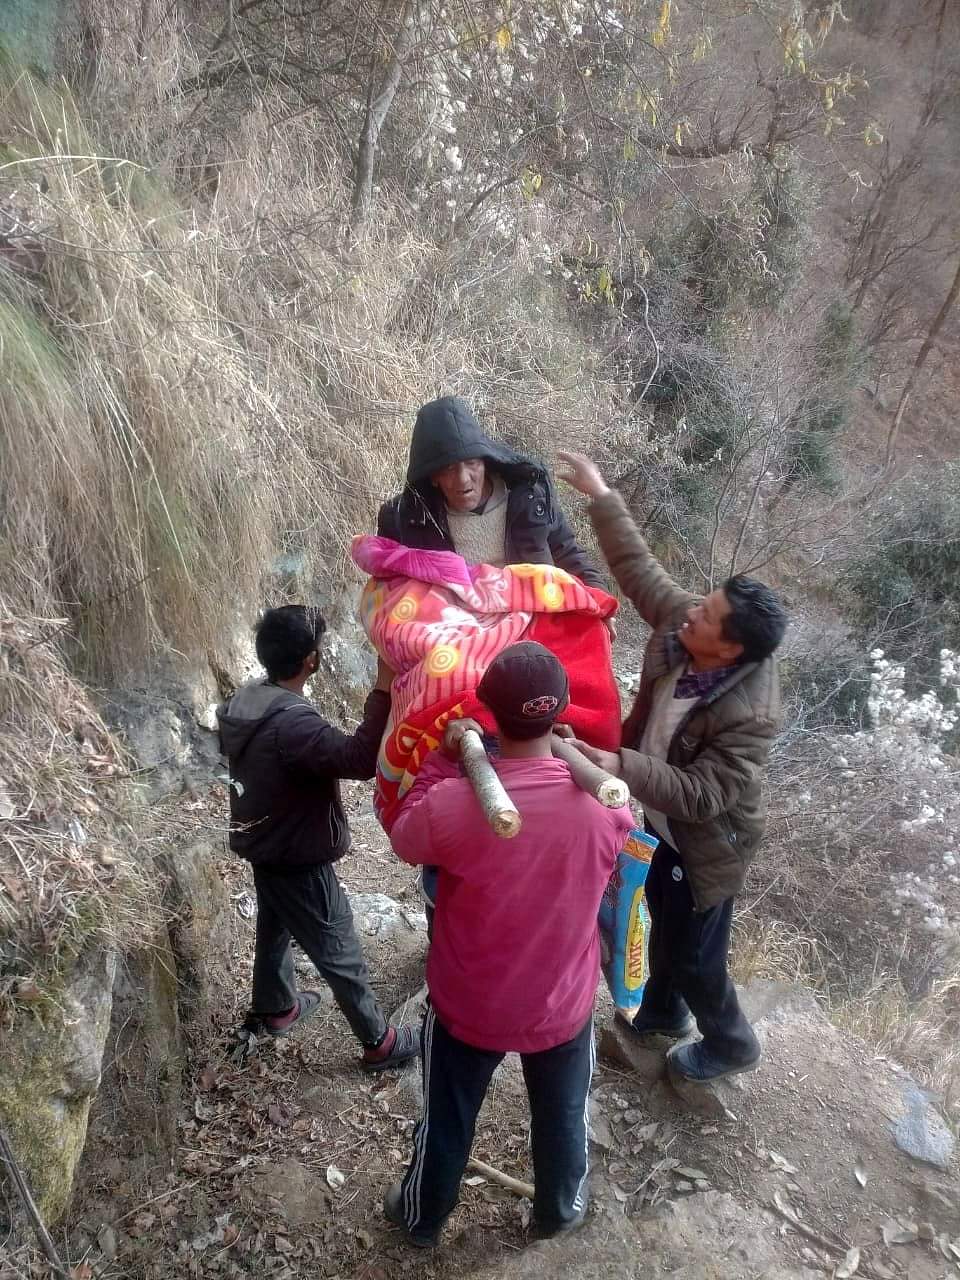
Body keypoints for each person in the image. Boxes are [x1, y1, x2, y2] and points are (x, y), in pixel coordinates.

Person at [382, 642, 634, 1248]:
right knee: (563, 1119)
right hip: (562, 1004)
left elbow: (404, 838)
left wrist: (448, 761)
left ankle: (422, 1218)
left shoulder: (454, 802)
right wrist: (569, 751)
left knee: (446, 1119)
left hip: (471, 1004)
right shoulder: (607, 810)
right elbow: (624, 851)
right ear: (564, 710)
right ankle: (558, 1211)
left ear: (487, 711)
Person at [556, 452, 788, 1086]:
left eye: (707, 616)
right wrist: (602, 494)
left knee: (696, 955)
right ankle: (660, 1015)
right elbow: (640, 571)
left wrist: (620, 765)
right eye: (703, 603)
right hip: (662, 823)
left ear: (733, 647)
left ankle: (733, 1043)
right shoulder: (690, 627)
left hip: (706, 841)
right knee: (662, 912)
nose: (691, 613)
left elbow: (705, 795)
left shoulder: (751, 712)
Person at [217, 605, 419, 1072]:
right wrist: (383, 688)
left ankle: (276, 1006)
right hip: (296, 853)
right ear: (311, 660)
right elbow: (357, 758)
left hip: (264, 840)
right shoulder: (294, 724)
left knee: (275, 923)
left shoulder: (250, 700)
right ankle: (379, 1041)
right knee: (337, 942)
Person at [377, 395, 606, 588]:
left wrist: (600, 598)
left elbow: (567, 552)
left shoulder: (528, 498)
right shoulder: (409, 520)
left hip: (532, 620)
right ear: (433, 477)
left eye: (472, 463)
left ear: (486, 462)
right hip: (456, 632)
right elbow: (388, 585)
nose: (463, 478)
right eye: (448, 469)